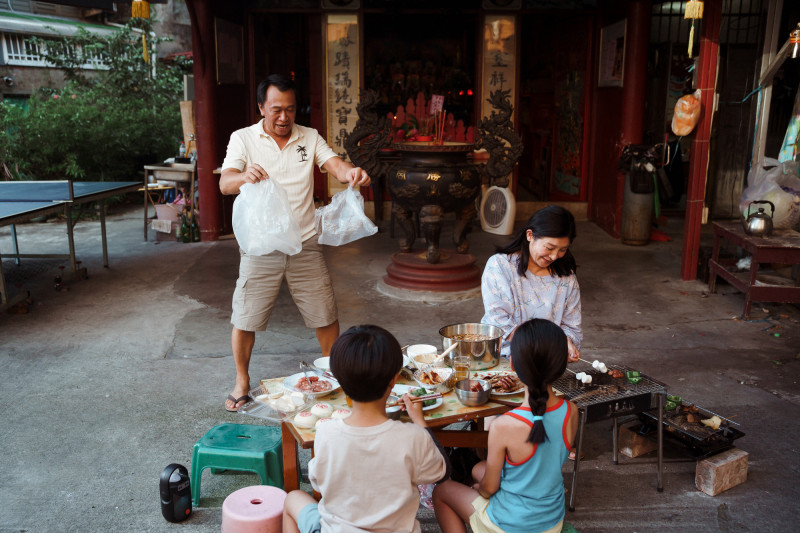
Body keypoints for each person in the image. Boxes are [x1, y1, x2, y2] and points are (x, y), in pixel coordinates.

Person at [220, 74, 371, 412]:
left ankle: (333, 375)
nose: (284, 117)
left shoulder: (309, 136)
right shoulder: (243, 138)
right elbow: (225, 183)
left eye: (289, 110)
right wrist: (244, 176)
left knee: (325, 313)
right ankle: (242, 381)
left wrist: (350, 173)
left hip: (305, 243)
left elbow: (334, 164)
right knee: (245, 317)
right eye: (276, 110)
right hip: (261, 247)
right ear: (261, 107)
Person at [282, 325, 450, 533]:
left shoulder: (327, 432)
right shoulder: (414, 437)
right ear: (393, 380)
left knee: (292, 498)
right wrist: (420, 421)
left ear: (339, 383)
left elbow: (317, 484)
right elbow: (441, 472)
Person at [431, 318, 579, 533]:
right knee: (478, 468)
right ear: (561, 365)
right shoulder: (571, 410)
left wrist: (480, 491)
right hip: (551, 521)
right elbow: (541, 460)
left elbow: (490, 488)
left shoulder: (505, 425)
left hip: (509, 525)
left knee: (442, 491)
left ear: (511, 365)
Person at [481, 205, 582, 363]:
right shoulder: (500, 266)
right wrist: (536, 347)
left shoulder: (566, 279)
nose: (555, 256)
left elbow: (571, 326)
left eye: (563, 250)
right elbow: (497, 318)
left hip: (545, 361)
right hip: (499, 361)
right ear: (530, 235)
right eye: (550, 248)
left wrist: (566, 342)